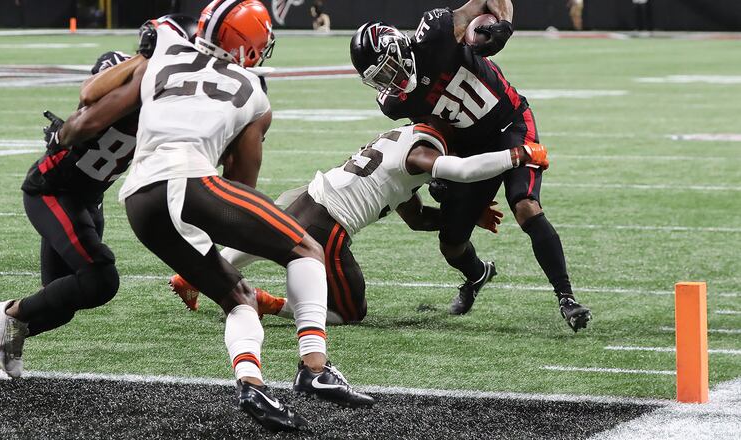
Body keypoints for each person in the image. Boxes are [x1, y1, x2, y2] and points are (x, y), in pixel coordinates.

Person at [110, 0, 373, 432]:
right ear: (246, 45)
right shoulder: (249, 85)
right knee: (305, 247)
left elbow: (153, 39)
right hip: (189, 181)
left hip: (139, 199)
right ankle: (315, 368)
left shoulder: (168, 51)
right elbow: (243, 181)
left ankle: (251, 384)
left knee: (238, 296)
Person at [0, 15, 200, 381]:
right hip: (52, 190)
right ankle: (10, 313)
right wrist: (145, 59)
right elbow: (89, 94)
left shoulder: (169, 93)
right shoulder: (119, 65)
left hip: (87, 200)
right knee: (101, 278)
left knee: (59, 306)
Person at [349, 0, 592, 332]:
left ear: (398, 47)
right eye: (381, 78)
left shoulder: (434, 33)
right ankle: (477, 274)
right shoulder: (395, 102)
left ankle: (567, 298)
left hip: (510, 124)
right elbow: (435, 126)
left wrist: (504, 24)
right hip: (471, 146)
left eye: (389, 69)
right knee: (452, 243)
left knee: (525, 206)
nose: (390, 81)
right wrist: (444, 169)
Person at [170, 123, 548, 323]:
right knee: (348, 313)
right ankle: (264, 302)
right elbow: (463, 170)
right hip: (327, 227)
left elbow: (415, 218)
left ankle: (195, 276)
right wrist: (517, 154)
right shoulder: (420, 155)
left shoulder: (400, 141)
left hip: (308, 198)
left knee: (271, 233)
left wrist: (463, 216)